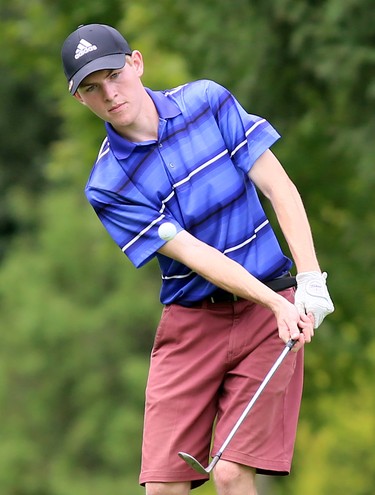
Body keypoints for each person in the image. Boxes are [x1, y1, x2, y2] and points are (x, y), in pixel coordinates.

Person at [61, 23, 334, 495]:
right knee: (162, 487)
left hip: (269, 314)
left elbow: (278, 187)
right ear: (80, 99)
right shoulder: (107, 185)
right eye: (91, 87)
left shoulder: (207, 101)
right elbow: (194, 253)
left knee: (230, 472)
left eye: (113, 74)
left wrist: (309, 279)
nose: (109, 93)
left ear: (137, 63)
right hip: (192, 325)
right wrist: (275, 303)